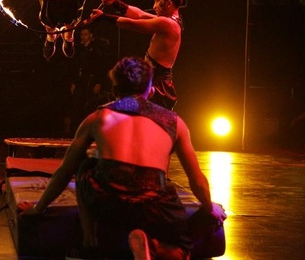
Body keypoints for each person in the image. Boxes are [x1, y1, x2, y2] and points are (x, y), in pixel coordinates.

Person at [21, 57, 226, 260]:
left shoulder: (98, 118)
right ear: (151, 90)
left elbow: (65, 171)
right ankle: (159, 248)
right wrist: (209, 208)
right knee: (184, 243)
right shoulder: (174, 122)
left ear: (114, 89)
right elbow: (196, 180)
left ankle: (90, 244)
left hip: (109, 203)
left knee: (85, 165)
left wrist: (39, 208)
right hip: (154, 207)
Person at [91, 0, 184, 110]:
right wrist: (115, 2)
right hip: (155, 80)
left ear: (168, 3)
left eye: (157, 1)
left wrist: (103, 17)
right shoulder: (171, 20)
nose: (154, 6)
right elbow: (140, 14)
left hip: (158, 85)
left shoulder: (168, 23)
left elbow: (132, 24)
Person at [67, 25, 109, 134]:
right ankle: (75, 131)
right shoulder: (80, 49)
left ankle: (88, 131)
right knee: (77, 106)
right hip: (80, 81)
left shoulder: (95, 50)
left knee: (87, 106)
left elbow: (100, 67)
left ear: (91, 35)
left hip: (90, 82)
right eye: (82, 34)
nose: (83, 37)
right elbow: (76, 66)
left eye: (85, 34)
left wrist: (98, 83)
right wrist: (74, 82)